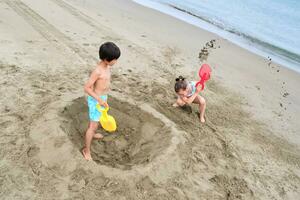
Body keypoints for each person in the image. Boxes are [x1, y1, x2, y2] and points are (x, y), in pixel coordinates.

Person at [82, 42, 121, 161]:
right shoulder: (98, 71)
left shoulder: (107, 67)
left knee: (96, 121)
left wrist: (103, 98)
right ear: (106, 59)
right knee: (93, 126)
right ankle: (86, 150)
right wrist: (99, 99)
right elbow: (87, 88)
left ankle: (93, 134)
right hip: (96, 101)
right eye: (114, 59)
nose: (116, 62)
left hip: (102, 99)